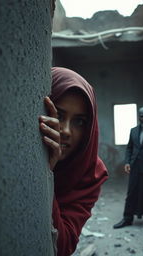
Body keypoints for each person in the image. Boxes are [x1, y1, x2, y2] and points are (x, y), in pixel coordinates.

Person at [39, 67, 108, 256]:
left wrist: (47, 174)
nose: (67, 131)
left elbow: (63, 247)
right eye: (59, 115)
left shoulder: (91, 173)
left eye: (79, 122)